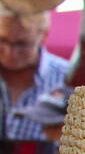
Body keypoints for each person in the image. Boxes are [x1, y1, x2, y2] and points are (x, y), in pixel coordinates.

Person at [0, 9, 69, 142]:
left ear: (43, 36)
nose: (10, 52)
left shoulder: (66, 78)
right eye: (2, 40)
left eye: (22, 44)